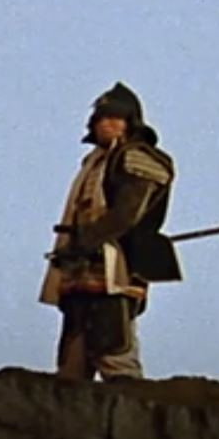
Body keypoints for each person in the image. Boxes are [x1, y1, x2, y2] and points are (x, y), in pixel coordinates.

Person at [39, 82, 178, 381]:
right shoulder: (92, 163)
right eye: (101, 118)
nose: (107, 124)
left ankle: (127, 398)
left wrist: (88, 239)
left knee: (112, 341)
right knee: (74, 348)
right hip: (79, 265)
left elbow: (126, 214)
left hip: (117, 261)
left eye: (116, 117)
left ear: (131, 122)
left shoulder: (138, 158)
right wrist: (72, 248)